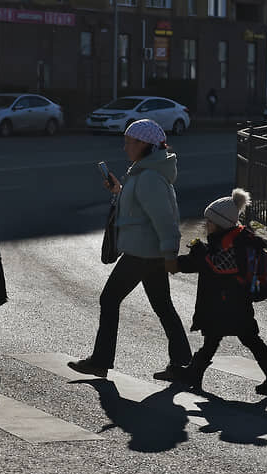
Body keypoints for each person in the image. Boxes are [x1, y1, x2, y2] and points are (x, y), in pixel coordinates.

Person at [69, 119, 192, 380]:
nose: (124, 147)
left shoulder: (148, 176)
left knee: (109, 299)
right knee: (163, 305)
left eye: (129, 142)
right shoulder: (146, 172)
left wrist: (171, 254)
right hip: (149, 253)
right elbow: (142, 207)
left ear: (144, 144)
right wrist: (119, 191)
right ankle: (182, 364)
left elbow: (165, 218)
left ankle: (100, 361)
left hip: (142, 253)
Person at [176, 189, 267, 394]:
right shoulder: (235, 238)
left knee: (226, 338)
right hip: (233, 302)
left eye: (209, 221)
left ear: (220, 223)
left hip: (231, 302)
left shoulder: (233, 243)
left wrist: (199, 252)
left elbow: (218, 266)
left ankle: (194, 373)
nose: (206, 225)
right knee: (231, 338)